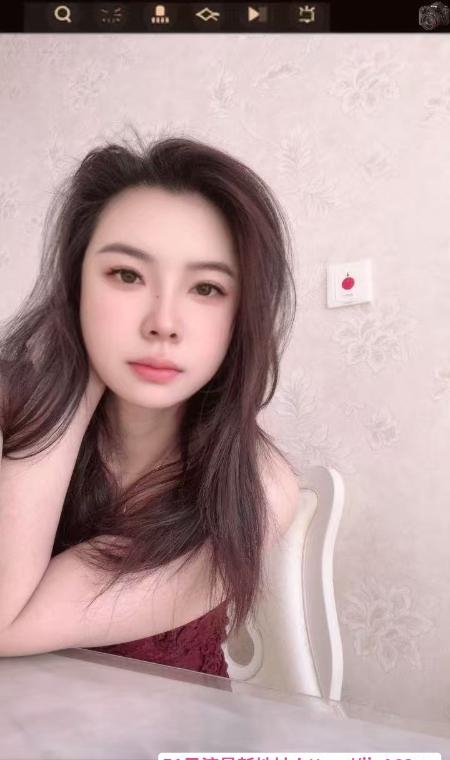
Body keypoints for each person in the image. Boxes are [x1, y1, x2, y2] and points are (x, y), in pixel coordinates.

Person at [0, 131, 300, 676]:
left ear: (242, 316)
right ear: (75, 287)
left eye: (206, 288)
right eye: (127, 275)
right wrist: (68, 392)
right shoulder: (10, 405)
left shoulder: (258, 487)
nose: (163, 322)